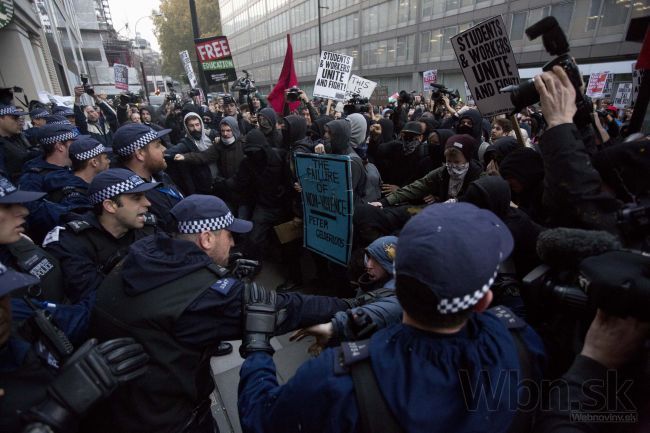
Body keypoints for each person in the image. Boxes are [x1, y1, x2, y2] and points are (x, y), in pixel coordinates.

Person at [238, 202, 546, 433]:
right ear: (484, 302)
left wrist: (257, 349)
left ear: (397, 286)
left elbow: (262, 419)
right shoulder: (520, 343)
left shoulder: (335, 378)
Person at [85, 194, 355, 433]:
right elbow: (286, 308)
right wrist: (352, 307)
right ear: (206, 238)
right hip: (169, 419)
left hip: (122, 405)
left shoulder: (140, 255)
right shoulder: (204, 296)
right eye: (229, 234)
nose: (234, 241)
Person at [44, 168, 159, 304]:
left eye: (144, 196)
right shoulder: (72, 242)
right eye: (136, 198)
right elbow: (96, 300)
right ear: (110, 206)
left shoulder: (147, 228)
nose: (147, 203)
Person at [112, 123, 183, 230]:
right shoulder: (134, 196)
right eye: (158, 145)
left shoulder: (162, 176)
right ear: (140, 153)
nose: (164, 149)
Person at [18, 123, 81, 241]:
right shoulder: (32, 178)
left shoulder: (74, 167)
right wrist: (72, 213)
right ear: (60, 146)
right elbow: (34, 212)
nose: (78, 146)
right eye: (73, 143)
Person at [0, 103, 40, 181]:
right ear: (1, 118)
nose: (20, 121)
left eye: (19, 117)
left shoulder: (18, 137)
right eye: (15, 118)